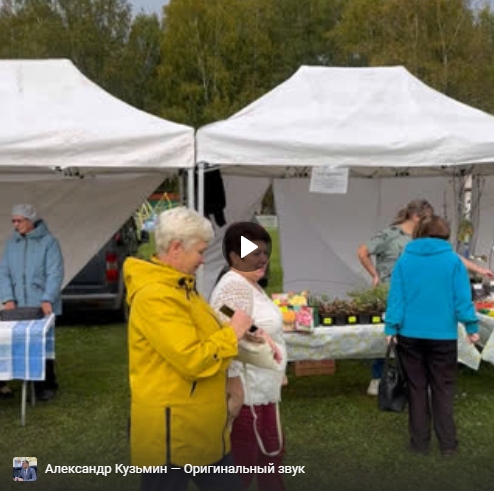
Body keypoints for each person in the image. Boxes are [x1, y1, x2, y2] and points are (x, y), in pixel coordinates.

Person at [123, 207, 252, 491]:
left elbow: (205, 328)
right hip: (172, 434)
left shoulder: (181, 286)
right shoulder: (156, 296)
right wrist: (232, 333)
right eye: (200, 251)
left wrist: (243, 331)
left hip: (199, 425)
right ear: (176, 248)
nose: (203, 260)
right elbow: (193, 358)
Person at [357, 199, 492, 396]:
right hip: (391, 290)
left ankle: (417, 379)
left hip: (416, 292)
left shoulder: (427, 237)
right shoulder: (390, 235)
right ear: (416, 217)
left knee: (412, 336)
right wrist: (375, 275)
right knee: (387, 332)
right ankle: (379, 376)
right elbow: (363, 252)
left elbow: (451, 256)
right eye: (427, 218)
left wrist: (479, 269)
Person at [384, 215, 479, 455]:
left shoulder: (405, 261)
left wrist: (391, 327)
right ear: (445, 236)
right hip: (443, 336)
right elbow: (462, 298)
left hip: (410, 335)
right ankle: (448, 445)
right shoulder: (453, 261)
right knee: (443, 390)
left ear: (418, 235)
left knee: (416, 389)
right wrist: (471, 327)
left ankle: (419, 444)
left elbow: (397, 297)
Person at [210, 222, 287, 491]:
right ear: (234, 257)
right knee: (246, 465)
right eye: (253, 253)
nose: (262, 259)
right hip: (248, 390)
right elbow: (223, 313)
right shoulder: (234, 284)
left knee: (268, 458)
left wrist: (277, 364)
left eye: (264, 252)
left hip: (262, 387)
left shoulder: (248, 282)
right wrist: (257, 332)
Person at [0, 204, 64, 401]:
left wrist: (47, 298)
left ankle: (46, 386)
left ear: (30, 221)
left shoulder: (49, 242)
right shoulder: (12, 245)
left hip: (41, 304)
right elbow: (4, 273)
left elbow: (55, 273)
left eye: (19, 221)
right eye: (14, 221)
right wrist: (8, 298)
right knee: (15, 342)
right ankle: (18, 378)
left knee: (42, 344)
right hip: (17, 305)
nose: (16, 225)